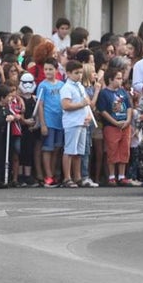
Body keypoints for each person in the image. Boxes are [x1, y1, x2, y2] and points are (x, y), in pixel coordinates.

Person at [97, 67, 136, 186]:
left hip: (125, 125)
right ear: (110, 79)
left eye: (121, 78)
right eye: (118, 78)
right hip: (111, 126)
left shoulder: (123, 92)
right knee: (112, 149)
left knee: (124, 150)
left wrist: (128, 120)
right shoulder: (104, 93)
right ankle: (112, 176)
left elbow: (129, 107)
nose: (120, 81)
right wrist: (114, 122)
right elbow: (103, 111)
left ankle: (122, 175)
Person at [57, 60, 91, 189]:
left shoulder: (80, 86)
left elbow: (86, 103)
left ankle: (77, 177)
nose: (79, 75)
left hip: (82, 122)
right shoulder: (67, 88)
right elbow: (66, 105)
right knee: (70, 150)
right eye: (76, 73)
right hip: (72, 122)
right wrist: (81, 104)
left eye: (81, 72)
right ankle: (67, 177)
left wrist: (87, 115)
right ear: (68, 73)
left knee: (79, 152)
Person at [35, 59, 64, 185]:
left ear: (56, 70)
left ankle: (53, 172)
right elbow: (40, 105)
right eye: (46, 69)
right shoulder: (42, 86)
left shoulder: (61, 85)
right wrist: (43, 124)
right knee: (47, 148)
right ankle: (48, 175)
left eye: (50, 69)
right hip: (49, 120)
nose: (48, 71)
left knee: (57, 148)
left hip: (60, 121)